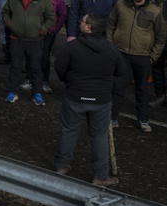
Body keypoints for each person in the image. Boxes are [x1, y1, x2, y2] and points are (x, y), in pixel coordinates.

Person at [52, 13, 129, 187]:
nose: (80, 23)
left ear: (89, 27)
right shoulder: (111, 49)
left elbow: (60, 68)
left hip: (75, 97)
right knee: (99, 136)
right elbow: (121, 71)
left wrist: (70, 82)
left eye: (83, 21)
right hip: (100, 100)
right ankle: (101, 175)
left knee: (69, 131)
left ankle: (61, 166)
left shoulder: (73, 47)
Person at [107, 0, 165, 132]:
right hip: (121, 53)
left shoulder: (154, 11)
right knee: (117, 86)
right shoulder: (121, 5)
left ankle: (143, 119)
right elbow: (111, 25)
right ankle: (112, 117)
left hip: (143, 56)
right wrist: (112, 48)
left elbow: (161, 36)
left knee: (142, 89)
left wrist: (153, 57)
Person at [1, 0, 56, 105]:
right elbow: (5, 12)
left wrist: (41, 30)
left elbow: (51, 18)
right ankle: (12, 91)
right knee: (15, 66)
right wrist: (10, 24)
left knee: (35, 67)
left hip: (35, 40)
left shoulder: (43, 1)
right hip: (16, 38)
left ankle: (37, 93)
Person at [32, 0, 68, 94]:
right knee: (32, 54)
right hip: (33, 30)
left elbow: (62, 13)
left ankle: (45, 81)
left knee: (45, 56)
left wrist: (54, 29)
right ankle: (31, 79)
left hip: (48, 31)